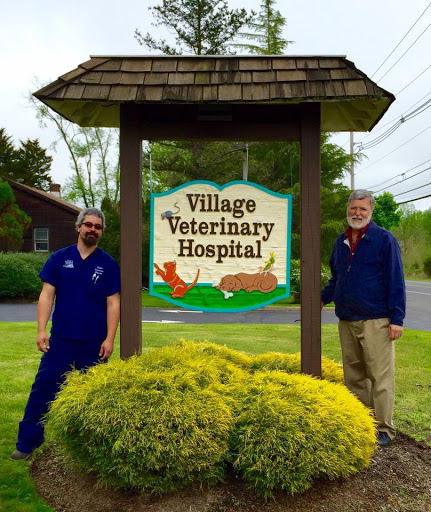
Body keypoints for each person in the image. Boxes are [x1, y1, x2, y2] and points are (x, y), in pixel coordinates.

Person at [10, 207, 120, 461]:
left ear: (101, 232)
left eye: (98, 227)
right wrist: (41, 330)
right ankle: (27, 442)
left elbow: (113, 303)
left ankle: (91, 448)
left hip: (94, 343)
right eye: (88, 224)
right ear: (78, 227)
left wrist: (110, 339)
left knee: (93, 396)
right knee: (43, 389)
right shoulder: (59, 259)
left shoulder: (108, 264)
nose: (92, 229)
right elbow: (46, 295)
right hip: (61, 340)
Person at [321, 190, 405, 448]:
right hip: (347, 320)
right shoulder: (341, 242)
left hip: (376, 320)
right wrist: (322, 298)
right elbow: (337, 278)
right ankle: (362, 422)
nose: (357, 213)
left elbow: (395, 280)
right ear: (348, 209)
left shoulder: (384, 240)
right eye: (354, 208)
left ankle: (384, 429)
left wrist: (397, 319)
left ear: (371, 212)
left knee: (380, 377)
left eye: (363, 209)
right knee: (354, 376)